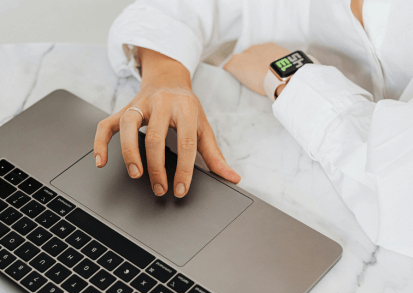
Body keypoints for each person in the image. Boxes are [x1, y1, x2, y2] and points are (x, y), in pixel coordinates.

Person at [94, 0, 413, 258]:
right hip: (265, 186)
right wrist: (166, 79)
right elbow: (167, 9)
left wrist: (291, 74)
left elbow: (402, 197)